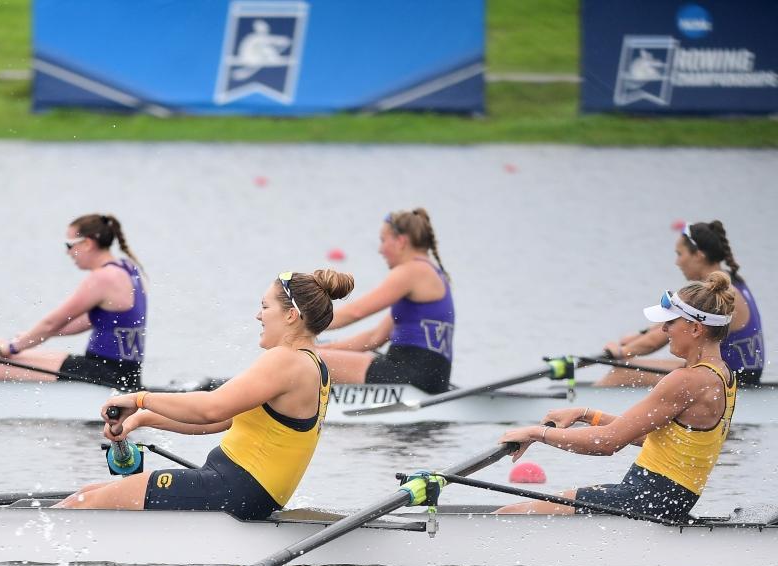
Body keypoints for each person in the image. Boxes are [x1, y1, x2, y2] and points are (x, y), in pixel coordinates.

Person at [55, 269, 354, 520]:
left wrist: (139, 398)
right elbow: (216, 423)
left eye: (264, 307)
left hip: (231, 489)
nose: (257, 315)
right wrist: (140, 419)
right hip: (243, 491)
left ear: (290, 315)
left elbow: (211, 409)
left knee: (80, 507)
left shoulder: (285, 361)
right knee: (86, 495)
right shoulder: (311, 364)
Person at [496, 273, 738, 523]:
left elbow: (606, 443)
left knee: (508, 516)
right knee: (536, 507)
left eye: (670, 323)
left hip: (645, 501)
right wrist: (585, 414)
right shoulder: (723, 375)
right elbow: (657, 438)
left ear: (696, 328)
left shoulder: (687, 380)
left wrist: (536, 434)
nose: (664, 329)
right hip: (661, 500)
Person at [0, 214, 147, 390]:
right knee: (17, 357)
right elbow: (86, 321)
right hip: (125, 373)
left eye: (70, 245)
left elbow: (52, 322)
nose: (68, 252)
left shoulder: (102, 278)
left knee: (1, 367)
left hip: (105, 375)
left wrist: (12, 346)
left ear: (87, 243)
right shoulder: (127, 268)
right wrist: (29, 338)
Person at [597, 220, 763, 386]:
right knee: (629, 367)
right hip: (737, 372)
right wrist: (639, 335)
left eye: (680, 254)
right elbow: (675, 318)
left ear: (698, 255)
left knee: (621, 373)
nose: (677, 262)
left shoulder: (712, 294)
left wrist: (620, 352)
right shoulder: (728, 283)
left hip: (730, 378)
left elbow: (656, 341)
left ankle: (584, 410)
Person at [317, 208, 454, 394]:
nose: (380, 249)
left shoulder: (411, 271)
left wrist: (304, 322)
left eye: (383, 240)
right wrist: (328, 347)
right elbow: (374, 338)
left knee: (303, 359)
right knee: (317, 351)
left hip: (410, 373)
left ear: (401, 241)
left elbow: (355, 312)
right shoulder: (430, 273)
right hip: (432, 377)